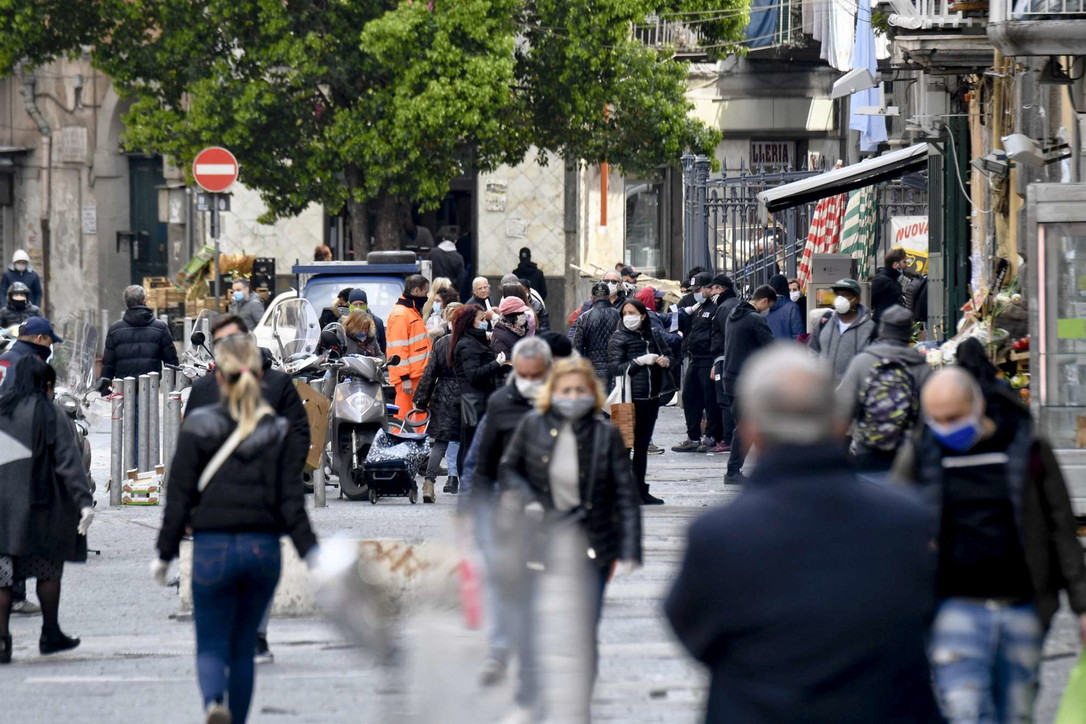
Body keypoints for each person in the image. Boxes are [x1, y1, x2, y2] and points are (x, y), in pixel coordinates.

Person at [666, 345, 943, 724]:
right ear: (838, 424)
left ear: (751, 432)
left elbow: (694, 630)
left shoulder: (719, 536)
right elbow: (927, 616)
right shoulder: (906, 521)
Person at [891, 367, 1086, 724]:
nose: (946, 427)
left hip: (1023, 606)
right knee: (965, 710)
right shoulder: (922, 455)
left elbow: (1061, 526)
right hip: (954, 607)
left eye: (954, 417)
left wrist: (1082, 603)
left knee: (1016, 712)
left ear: (977, 405)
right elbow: (893, 527)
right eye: (937, 419)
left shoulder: (1027, 448)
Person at [154, 334, 318, 724]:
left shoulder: (197, 425)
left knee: (210, 641)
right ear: (260, 376)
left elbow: (178, 496)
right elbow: (291, 502)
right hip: (263, 549)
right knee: (244, 647)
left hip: (212, 547)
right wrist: (312, 553)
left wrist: (164, 553)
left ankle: (214, 702)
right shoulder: (276, 431)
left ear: (219, 377)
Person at [498, 356, 641, 719]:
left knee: (583, 629)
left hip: (592, 543)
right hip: (540, 540)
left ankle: (579, 702)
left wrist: (630, 547)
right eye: (566, 390)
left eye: (580, 390)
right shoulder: (533, 425)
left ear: (591, 393)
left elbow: (624, 491)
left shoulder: (606, 433)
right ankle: (532, 694)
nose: (573, 396)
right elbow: (509, 470)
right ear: (552, 393)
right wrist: (526, 499)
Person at [184, 315, 310, 667]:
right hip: (215, 498)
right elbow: (188, 448)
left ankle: (256, 633)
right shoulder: (205, 388)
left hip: (262, 497)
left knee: (259, 565)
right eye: (224, 341)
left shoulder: (278, 383)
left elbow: (299, 436)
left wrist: (285, 476)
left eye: (237, 338)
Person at [466, 336, 553, 685]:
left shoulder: (563, 402)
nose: (529, 382)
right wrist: (473, 513)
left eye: (536, 375)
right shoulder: (501, 403)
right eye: (523, 375)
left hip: (547, 511)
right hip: (504, 508)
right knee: (502, 580)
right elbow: (481, 463)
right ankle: (501, 649)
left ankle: (528, 653)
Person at [0, 354, 94, 665]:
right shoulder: (49, 412)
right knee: (46, 569)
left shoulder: (1, 409)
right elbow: (68, 463)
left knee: (2, 576)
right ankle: (50, 633)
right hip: (40, 506)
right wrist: (83, 503)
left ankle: (2, 640)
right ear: (46, 384)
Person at [837, 305, 929, 478]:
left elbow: (843, 411)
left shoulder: (862, 362)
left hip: (867, 451)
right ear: (908, 333)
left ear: (882, 331)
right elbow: (927, 417)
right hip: (908, 458)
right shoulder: (921, 367)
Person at [607, 298, 677, 505]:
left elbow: (671, 356)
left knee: (642, 445)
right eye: (625, 313)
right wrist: (638, 362)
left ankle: (640, 490)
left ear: (643, 315)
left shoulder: (654, 334)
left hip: (651, 397)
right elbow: (615, 369)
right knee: (624, 446)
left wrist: (666, 361)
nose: (628, 317)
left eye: (632, 313)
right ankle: (621, 492)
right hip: (626, 399)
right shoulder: (618, 337)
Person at [720, 285, 777, 485]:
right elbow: (771, 349)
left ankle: (758, 468)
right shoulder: (756, 319)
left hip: (730, 378)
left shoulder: (733, 315)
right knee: (746, 427)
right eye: (770, 305)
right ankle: (733, 471)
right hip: (746, 381)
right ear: (765, 301)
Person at [452, 304, 508, 484]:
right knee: (470, 443)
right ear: (471, 322)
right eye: (482, 320)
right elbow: (473, 375)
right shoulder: (468, 344)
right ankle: (468, 481)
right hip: (474, 399)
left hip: (478, 397)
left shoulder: (475, 341)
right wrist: (496, 364)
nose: (485, 322)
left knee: (471, 442)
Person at [414, 302, 463, 502]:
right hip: (464, 394)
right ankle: (464, 482)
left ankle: (428, 483)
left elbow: (429, 374)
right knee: (465, 442)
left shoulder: (441, 343)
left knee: (440, 443)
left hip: (442, 394)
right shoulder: (471, 342)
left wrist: (421, 400)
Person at [673, 273, 723, 453]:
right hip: (695, 357)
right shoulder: (696, 307)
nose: (696, 293)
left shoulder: (716, 307)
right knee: (689, 397)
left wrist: (716, 360)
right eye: (693, 290)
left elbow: (717, 335)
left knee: (710, 400)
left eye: (699, 289)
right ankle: (693, 436)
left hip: (708, 359)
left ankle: (711, 436)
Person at [99, 285, 179, 392]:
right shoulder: (160, 327)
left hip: (124, 388)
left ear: (126, 302)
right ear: (144, 299)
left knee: (127, 409)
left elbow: (108, 363)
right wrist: (176, 385)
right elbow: (171, 361)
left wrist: (105, 388)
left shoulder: (115, 329)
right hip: (151, 388)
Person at [808, 278, 875, 380]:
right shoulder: (825, 320)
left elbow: (873, 362)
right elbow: (813, 349)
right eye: (838, 295)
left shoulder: (870, 328)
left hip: (853, 391)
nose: (841, 299)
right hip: (824, 390)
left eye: (846, 295)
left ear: (857, 299)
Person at [386, 274, 432, 423]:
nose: (427, 296)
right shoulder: (401, 314)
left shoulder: (410, 311)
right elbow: (398, 350)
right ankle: (401, 443)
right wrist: (404, 378)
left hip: (415, 375)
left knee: (416, 415)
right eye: (426, 292)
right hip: (409, 378)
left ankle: (417, 442)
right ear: (417, 291)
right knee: (404, 416)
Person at [707, 275, 740, 454]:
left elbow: (725, 336)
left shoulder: (725, 307)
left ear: (720, 289)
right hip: (727, 359)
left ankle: (728, 439)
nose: (710, 293)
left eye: (712, 289)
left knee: (724, 400)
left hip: (724, 360)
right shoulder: (732, 304)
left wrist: (718, 361)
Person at [570, 282, 621, 384]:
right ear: (608, 297)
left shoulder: (584, 317)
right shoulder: (619, 315)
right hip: (616, 368)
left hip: (593, 368)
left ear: (592, 298)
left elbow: (577, 347)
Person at [870, 248, 907, 323]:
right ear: (896, 264)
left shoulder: (894, 278)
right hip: (882, 323)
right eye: (904, 262)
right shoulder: (882, 280)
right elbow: (872, 300)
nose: (906, 265)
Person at [491, 295, 532, 360]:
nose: (524, 315)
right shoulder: (500, 337)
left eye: (523, 312)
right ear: (511, 316)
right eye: (520, 313)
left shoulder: (520, 330)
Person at [764, 274, 804, 340]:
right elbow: (798, 334)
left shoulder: (763, 306)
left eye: (794, 289)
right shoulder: (792, 307)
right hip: (786, 349)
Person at [346, 289, 386, 354]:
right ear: (349, 306)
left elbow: (382, 349)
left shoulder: (377, 322)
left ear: (366, 305)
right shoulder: (343, 324)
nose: (358, 307)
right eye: (355, 304)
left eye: (361, 304)